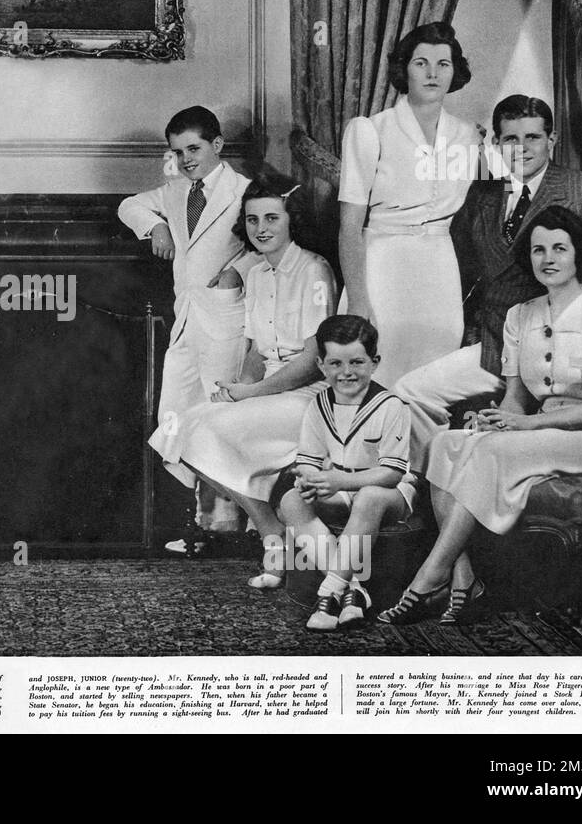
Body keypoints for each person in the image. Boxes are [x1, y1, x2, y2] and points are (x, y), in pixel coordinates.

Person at [380, 207, 582, 626]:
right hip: (533, 432)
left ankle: (429, 576)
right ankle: (465, 580)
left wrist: (523, 425)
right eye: (538, 250)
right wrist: (495, 419)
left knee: (489, 453)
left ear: (577, 255)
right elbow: (515, 399)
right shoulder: (520, 316)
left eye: (559, 248)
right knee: (445, 443)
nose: (548, 258)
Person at [394, 95, 582, 466]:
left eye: (533, 137)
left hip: (571, 357)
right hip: (497, 345)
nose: (522, 148)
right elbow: (464, 275)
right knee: (409, 392)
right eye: (511, 139)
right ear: (496, 143)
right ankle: (419, 487)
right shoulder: (482, 196)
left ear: (552, 139)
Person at [148, 180, 337, 569]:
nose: (261, 228)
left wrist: (253, 395)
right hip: (270, 390)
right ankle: (270, 529)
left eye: (271, 218)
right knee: (175, 431)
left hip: (310, 397)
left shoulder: (315, 270)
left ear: (291, 221)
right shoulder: (257, 275)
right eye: (252, 220)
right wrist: (239, 388)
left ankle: (271, 533)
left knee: (205, 431)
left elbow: (313, 359)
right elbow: (254, 351)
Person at [120, 106, 259, 542]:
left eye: (193, 149)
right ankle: (198, 521)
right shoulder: (178, 191)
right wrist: (155, 228)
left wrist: (239, 270)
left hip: (225, 317)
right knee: (175, 416)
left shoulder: (246, 191)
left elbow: (273, 240)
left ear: (217, 145)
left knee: (219, 415)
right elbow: (129, 205)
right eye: (177, 152)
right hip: (186, 321)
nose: (185, 159)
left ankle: (233, 523)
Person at [338, 21, 483, 387]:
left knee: (434, 376)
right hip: (384, 265)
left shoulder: (468, 136)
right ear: (404, 68)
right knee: (377, 370)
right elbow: (349, 226)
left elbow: (517, 172)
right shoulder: (369, 130)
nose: (433, 73)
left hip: (439, 268)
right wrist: (358, 298)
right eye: (421, 63)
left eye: (443, 64)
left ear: (455, 71)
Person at [279, 315, 415, 631]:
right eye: (335, 364)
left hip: (388, 492)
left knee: (368, 497)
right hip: (341, 484)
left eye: (356, 362)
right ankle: (354, 588)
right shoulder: (318, 405)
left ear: (374, 362)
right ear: (321, 365)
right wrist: (310, 480)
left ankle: (329, 593)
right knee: (291, 501)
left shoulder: (390, 404)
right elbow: (310, 459)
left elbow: (392, 473)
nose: (346, 372)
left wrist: (340, 480)